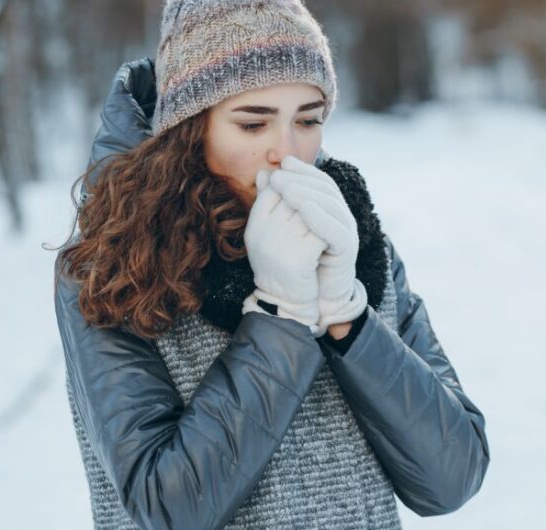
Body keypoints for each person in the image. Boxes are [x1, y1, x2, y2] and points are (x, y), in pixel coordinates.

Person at [53, 1, 489, 528]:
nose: (288, 153)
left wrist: (345, 314)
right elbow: (166, 507)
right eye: (253, 123)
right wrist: (280, 315)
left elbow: (452, 478)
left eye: (307, 120)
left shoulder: (358, 243)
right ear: (190, 129)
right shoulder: (113, 263)